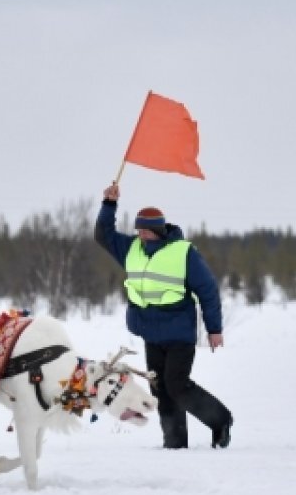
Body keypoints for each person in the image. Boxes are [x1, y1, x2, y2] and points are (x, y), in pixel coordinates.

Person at [94, 183, 233, 449]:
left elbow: (208, 290)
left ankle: (221, 420)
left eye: (145, 229)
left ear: (158, 229)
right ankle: (175, 442)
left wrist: (214, 329)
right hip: (150, 332)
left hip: (179, 332)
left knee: (177, 385)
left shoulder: (183, 253)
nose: (140, 233)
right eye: (138, 229)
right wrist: (108, 205)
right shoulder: (132, 248)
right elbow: (104, 235)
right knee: (159, 389)